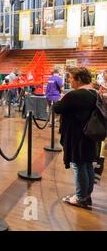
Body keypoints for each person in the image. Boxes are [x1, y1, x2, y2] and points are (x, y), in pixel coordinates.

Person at [54, 67, 98, 208]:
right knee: (87, 164)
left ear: (78, 79)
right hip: (90, 134)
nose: (69, 81)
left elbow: (57, 108)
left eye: (71, 78)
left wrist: (61, 99)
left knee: (78, 165)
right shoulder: (94, 93)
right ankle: (86, 195)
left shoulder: (75, 95)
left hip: (77, 135)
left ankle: (80, 198)